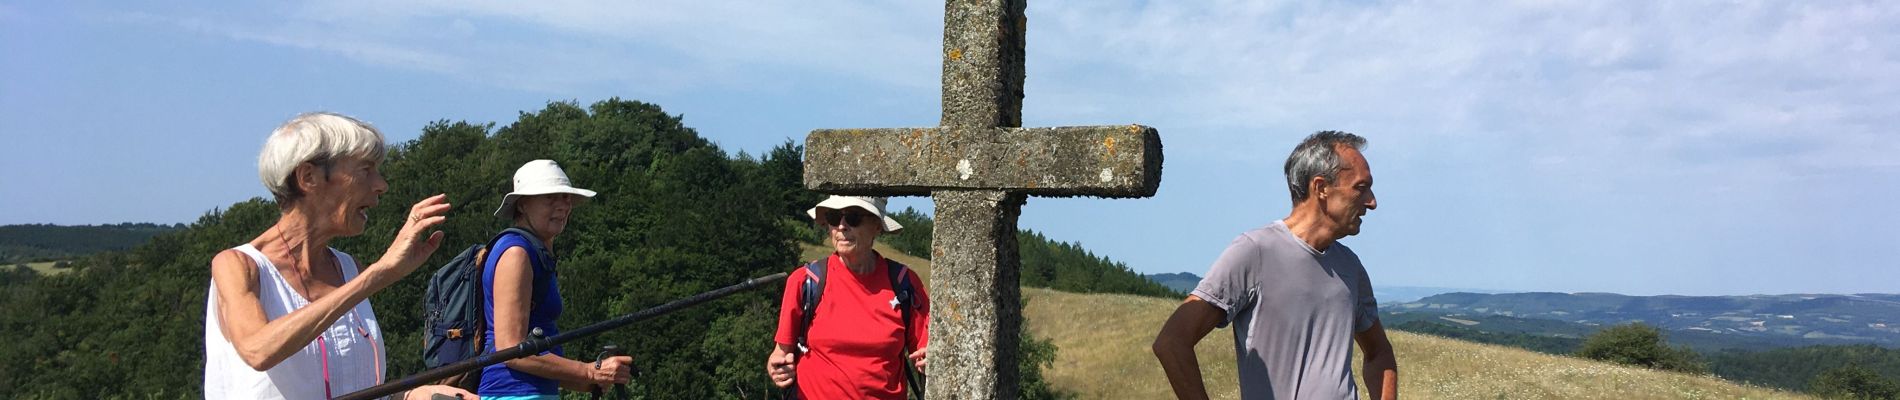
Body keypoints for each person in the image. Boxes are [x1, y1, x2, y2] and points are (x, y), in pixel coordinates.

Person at [204, 112, 475, 399]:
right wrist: (380, 273)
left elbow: (352, 386)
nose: (381, 184)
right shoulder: (239, 265)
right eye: (366, 170)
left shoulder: (348, 269)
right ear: (308, 177)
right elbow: (258, 350)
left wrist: (410, 396)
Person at [1153, 131, 1399, 400]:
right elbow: (1172, 341)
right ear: (1321, 188)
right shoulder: (1255, 251)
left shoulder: (1350, 266)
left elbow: (1379, 354)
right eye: (1361, 188)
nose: (1372, 202)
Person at [478, 159, 632, 399]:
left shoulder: (535, 253)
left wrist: (590, 379)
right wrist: (589, 372)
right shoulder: (516, 253)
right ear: (523, 205)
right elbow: (510, 350)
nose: (562, 205)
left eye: (565, 197)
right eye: (550, 197)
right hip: (513, 394)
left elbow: (536, 355)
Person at [766, 196, 930, 399]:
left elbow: (926, 351)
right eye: (834, 218)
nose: (842, 226)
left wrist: (930, 359)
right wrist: (778, 369)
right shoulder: (805, 281)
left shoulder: (904, 283)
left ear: (877, 226)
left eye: (853, 218)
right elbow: (781, 354)